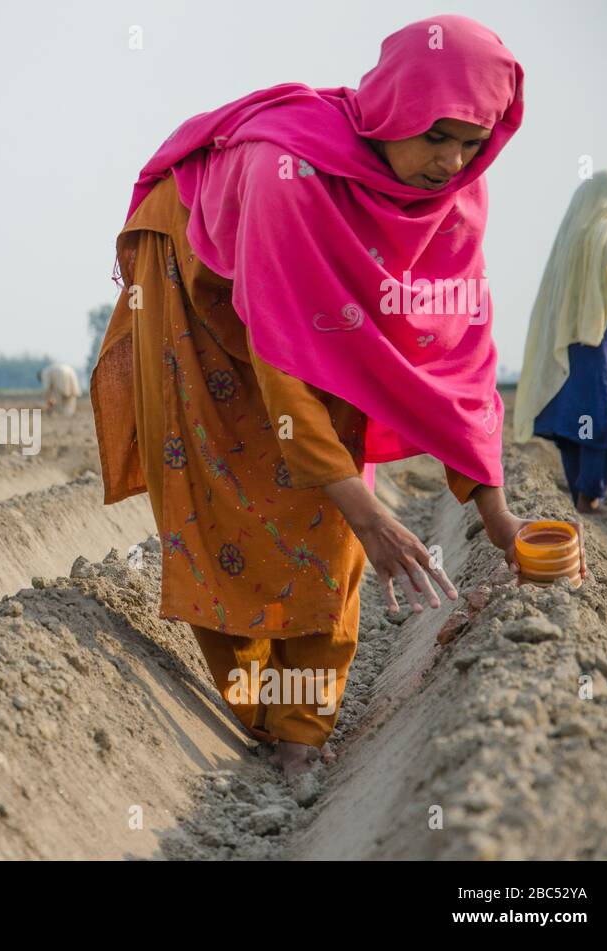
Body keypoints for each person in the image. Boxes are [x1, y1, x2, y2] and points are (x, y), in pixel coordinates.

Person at [92, 16, 577, 779]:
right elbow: (282, 365)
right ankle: (257, 704)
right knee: (217, 486)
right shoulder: (288, 171)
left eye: (473, 145)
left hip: (315, 307)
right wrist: (367, 510)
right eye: (438, 136)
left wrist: (495, 512)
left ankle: (301, 731)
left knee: (325, 515)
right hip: (195, 278)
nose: (451, 161)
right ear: (397, 110)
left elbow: (458, 350)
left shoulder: (454, 194)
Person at [513, 171, 607, 513]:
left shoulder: (573, 235)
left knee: (575, 422)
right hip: (600, 345)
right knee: (601, 420)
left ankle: (579, 495)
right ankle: (590, 498)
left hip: (569, 344)